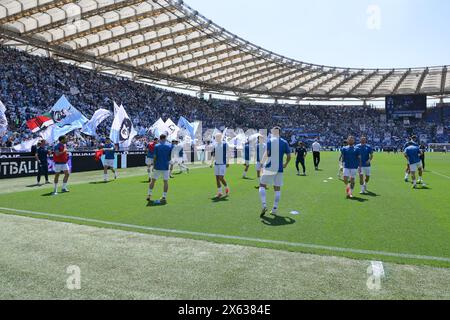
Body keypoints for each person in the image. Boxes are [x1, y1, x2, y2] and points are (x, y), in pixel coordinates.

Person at [259, 127, 291, 217]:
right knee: (277, 188)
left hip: (269, 167)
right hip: (279, 168)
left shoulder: (270, 141)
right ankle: (274, 209)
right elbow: (289, 156)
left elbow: (267, 154)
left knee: (262, 185)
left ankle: (264, 205)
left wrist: (262, 163)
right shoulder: (284, 142)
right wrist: (285, 164)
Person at [147, 134, 173, 204]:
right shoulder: (169, 146)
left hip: (157, 166)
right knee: (165, 182)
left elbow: (155, 156)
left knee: (153, 181)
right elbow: (170, 157)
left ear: (160, 138)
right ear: (165, 138)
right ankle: (164, 196)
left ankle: (149, 195)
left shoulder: (156, 146)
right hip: (165, 166)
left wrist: (153, 165)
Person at [210, 133, 230, 199]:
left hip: (223, 163)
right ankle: (220, 192)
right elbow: (213, 155)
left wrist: (228, 162)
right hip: (216, 164)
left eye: (217, 137)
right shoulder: (215, 145)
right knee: (217, 178)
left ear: (220, 137)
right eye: (215, 137)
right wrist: (211, 163)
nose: (216, 138)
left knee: (221, 178)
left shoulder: (225, 144)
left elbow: (228, 153)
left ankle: (226, 187)